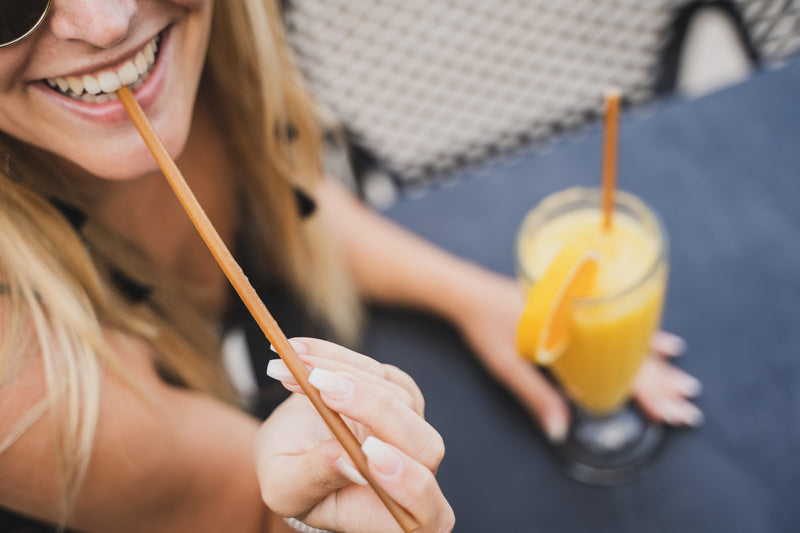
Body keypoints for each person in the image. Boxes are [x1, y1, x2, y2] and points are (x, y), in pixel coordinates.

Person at [0, 1, 700, 532]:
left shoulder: (204, 62)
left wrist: (473, 298)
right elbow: (255, 508)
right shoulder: (18, 382)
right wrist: (314, 506)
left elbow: (291, 202)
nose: (107, 21)